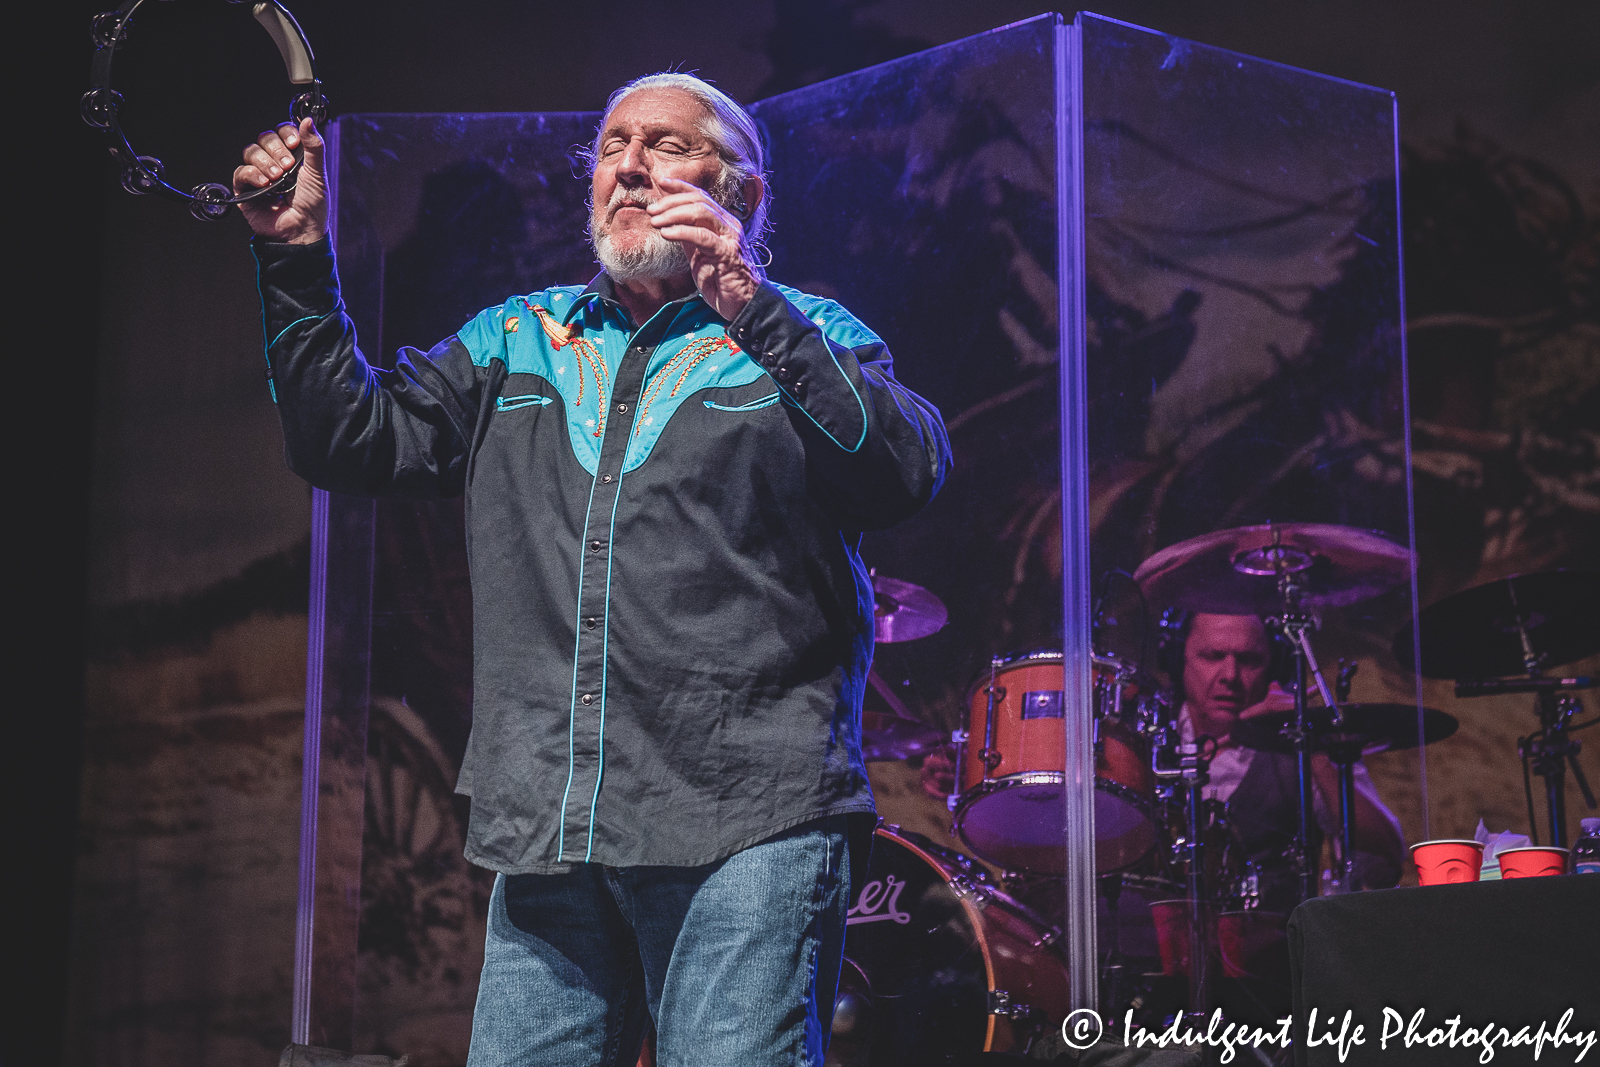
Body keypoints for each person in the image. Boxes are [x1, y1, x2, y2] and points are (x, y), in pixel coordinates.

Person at [234, 73, 951, 1066]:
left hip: (750, 821)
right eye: (613, 145)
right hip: (551, 830)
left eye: (665, 143)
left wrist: (748, 299)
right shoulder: (517, 339)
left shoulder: (810, 335)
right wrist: (295, 257)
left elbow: (903, 470)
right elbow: (345, 441)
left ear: (740, 191)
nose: (629, 164)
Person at [1174, 612, 1404, 909]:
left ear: (1274, 666)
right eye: (1212, 656)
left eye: (1249, 660)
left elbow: (1383, 864)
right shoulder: (1144, 738)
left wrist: (1314, 750)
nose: (1230, 674)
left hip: (1276, 948)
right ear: (1178, 660)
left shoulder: (1305, 742)